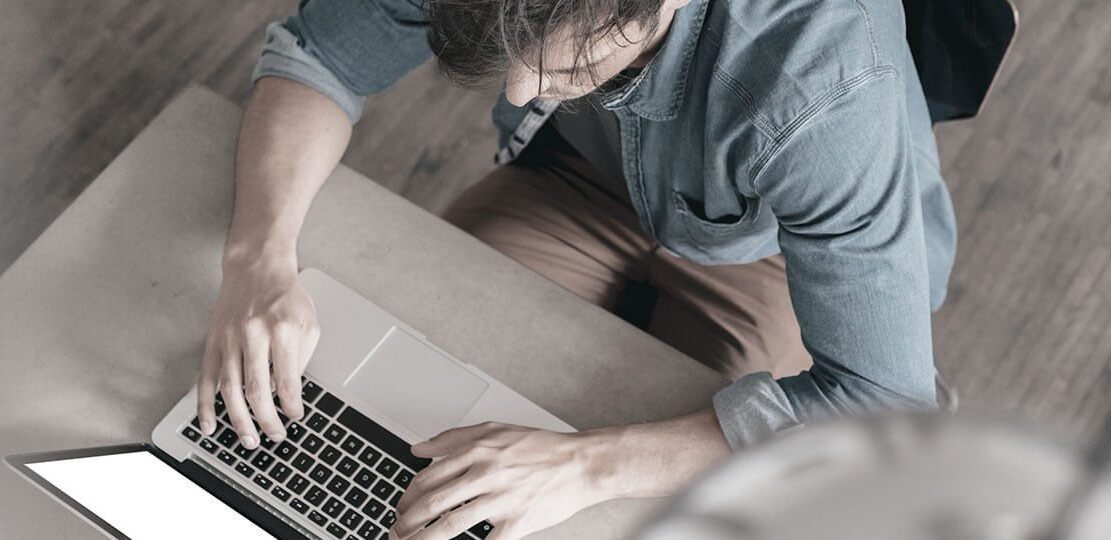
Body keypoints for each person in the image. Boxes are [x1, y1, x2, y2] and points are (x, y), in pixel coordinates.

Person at [193, 0, 957, 537]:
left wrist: (588, 468)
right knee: (410, 422)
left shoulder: (825, 91)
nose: (519, 92)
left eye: (563, 66)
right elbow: (321, 54)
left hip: (776, 253)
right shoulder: (543, 64)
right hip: (578, 180)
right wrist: (256, 256)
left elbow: (879, 404)